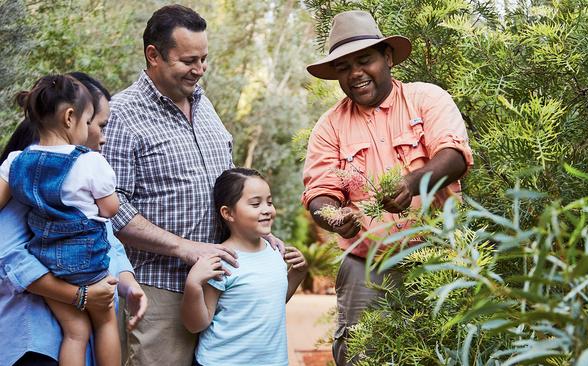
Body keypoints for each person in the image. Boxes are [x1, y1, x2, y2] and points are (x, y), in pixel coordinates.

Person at [102, 5, 289, 365]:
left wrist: (258, 235)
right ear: (153, 55)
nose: (199, 70)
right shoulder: (121, 115)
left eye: (204, 58)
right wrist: (184, 248)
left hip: (220, 285)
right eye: (189, 60)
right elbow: (111, 208)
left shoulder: (205, 105)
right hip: (159, 288)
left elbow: (232, 187)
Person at [302, 10, 474, 365]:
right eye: (343, 67)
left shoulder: (427, 99)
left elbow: (454, 155)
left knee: (442, 349)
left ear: (388, 57)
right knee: (361, 353)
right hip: (366, 263)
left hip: (437, 255)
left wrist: (412, 184)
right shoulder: (329, 126)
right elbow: (318, 194)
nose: (355, 74)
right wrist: (334, 216)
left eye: (364, 60)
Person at [0, 72, 147, 366]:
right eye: (99, 124)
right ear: (72, 118)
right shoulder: (46, 175)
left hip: (77, 338)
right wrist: (80, 295)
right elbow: (10, 255)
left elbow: (107, 236)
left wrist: (128, 284)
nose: (104, 138)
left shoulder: (24, 168)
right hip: (37, 344)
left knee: (78, 332)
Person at [181, 168, 307, 366]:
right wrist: (193, 284)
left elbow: (271, 303)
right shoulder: (222, 259)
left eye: (269, 202)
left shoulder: (275, 251)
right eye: (256, 204)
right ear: (228, 213)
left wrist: (298, 273)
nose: (267, 209)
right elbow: (196, 324)